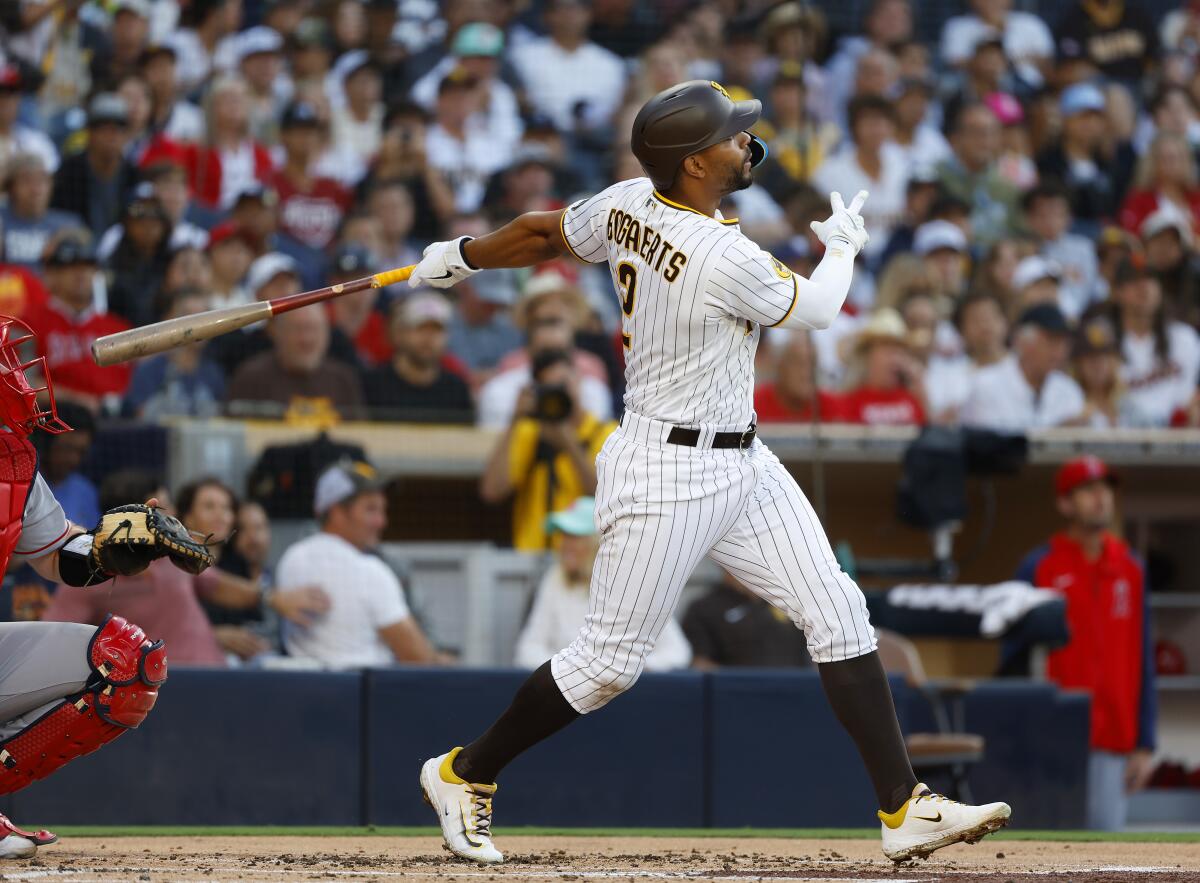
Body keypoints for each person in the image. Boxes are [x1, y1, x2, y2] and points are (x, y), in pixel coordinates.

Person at [409, 79, 1009, 865]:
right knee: (607, 665)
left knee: (837, 608)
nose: (745, 143)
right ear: (692, 163)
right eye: (730, 137)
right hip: (666, 468)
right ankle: (463, 771)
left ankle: (904, 806)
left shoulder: (630, 198)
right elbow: (822, 310)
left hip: (743, 458)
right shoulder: (716, 252)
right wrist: (846, 245)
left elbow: (539, 231)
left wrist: (460, 256)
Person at [0, 317, 213, 857]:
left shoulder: (10, 462)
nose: (15, 376)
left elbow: (56, 554)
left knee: (125, 663)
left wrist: (108, 548)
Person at [1015, 456, 1155, 830]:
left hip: (1114, 740)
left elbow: (1143, 661)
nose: (1101, 497)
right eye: (1088, 489)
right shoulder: (1039, 567)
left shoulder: (1131, 568)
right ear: (1065, 503)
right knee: (1047, 856)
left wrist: (1146, 743)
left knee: (1105, 858)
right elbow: (1012, 656)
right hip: (1052, 741)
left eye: (1105, 488)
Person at [275, 460, 441, 668]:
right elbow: (419, 658)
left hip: (304, 691)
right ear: (336, 512)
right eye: (371, 509)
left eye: (382, 510)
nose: (382, 522)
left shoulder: (291, 558)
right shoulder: (370, 570)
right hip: (367, 694)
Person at [515, 496, 691, 671]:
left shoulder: (634, 581)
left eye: (574, 536)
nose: (564, 544)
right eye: (563, 536)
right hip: (570, 692)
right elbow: (528, 650)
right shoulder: (555, 578)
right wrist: (574, 672)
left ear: (600, 542)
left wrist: (623, 672)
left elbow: (677, 651)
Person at [480, 349, 615, 552]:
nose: (558, 393)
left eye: (563, 384)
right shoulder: (529, 432)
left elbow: (607, 498)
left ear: (578, 380)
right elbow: (492, 492)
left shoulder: (606, 433)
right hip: (531, 557)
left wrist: (568, 443)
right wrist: (515, 420)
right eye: (549, 387)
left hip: (588, 560)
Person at [22, 235, 132, 413]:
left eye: (87, 267)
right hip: (56, 423)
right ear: (51, 275)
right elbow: (21, 382)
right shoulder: (29, 322)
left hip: (118, 423)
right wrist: (74, 401)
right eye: (70, 267)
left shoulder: (117, 327)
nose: (81, 274)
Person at [224, 304, 366, 422]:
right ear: (278, 333)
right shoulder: (251, 378)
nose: (306, 339)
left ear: (327, 334)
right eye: (298, 329)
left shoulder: (344, 380)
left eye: (313, 329)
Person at [812, 95, 909, 266]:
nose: (876, 129)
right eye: (869, 123)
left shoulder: (903, 164)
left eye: (882, 122)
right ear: (854, 127)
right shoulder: (829, 172)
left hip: (897, 256)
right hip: (849, 260)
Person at [508, 0, 626, 136]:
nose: (569, 15)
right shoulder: (522, 58)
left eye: (576, 8)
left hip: (596, 142)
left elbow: (614, 114)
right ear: (547, 15)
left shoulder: (611, 64)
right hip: (540, 136)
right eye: (561, 8)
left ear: (589, 14)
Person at [960, 303, 1085, 432]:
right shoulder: (986, 386)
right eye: (1051, 341)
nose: (1059, 352)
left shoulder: (1069, 389)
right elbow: (988, 446)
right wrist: (1056, 432)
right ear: (1023, 341)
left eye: (1064, 343)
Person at [1109, 257, 1200, 427]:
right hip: (1120, 441)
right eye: (1133, 280)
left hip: (1177, 441)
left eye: (1150, 279)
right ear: (1117, 292)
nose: (1143, 287)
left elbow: (1191, 396)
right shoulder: (1104, 340)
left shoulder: (1184, 338)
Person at [363, 292, 473, 423]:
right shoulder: (373, 385)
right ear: (400, 332)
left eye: (437, 329)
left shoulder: (456, 390)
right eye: (420, 328)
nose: (428, 338)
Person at [683, 569, 812, 669]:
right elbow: (699, 663)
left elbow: (815, 655)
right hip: (738, 696)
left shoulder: (788, 601)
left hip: (797, 693)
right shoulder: (704, 607)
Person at [50, 94, 138, 238]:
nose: (112, 136)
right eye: (104, 128)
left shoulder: (133, 175)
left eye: (118, 129)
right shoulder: (69, 171)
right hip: (78, 249)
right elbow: (57, 216)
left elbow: (136, 212)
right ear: (89, 132)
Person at [1022, 182, 1101, 321]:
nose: (1050, 221)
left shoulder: (1083, 248)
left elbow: (1084, 292)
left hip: (1074, 319)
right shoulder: (1018, 249)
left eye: (1057, 214)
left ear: (1069, 218)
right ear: (1030, 219)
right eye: (1043, 215)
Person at [840, 309, 927, 427]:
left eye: (900, 352)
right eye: (889, 351)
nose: (896, 359)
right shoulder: (849, 401)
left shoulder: (911, 400)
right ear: (868, 355)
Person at [0, 154, 81, 271]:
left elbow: (89, 241)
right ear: (10, 187)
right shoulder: (2, 220)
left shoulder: (66, 223)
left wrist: (64, 237)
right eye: (26, 181)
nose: (35, 189)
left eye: (42, 181)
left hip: (51, 288)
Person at [754, 330, 843, 422]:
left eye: (812, 364)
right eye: (798, 363)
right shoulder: (755, 404)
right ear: (780, 367)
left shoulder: (829, 407)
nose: (806, 373)